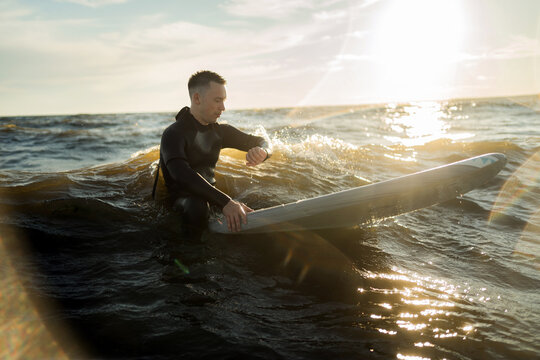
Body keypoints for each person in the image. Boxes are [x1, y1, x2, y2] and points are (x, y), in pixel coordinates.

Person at [157, 70, 271, 233]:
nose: (223, 107)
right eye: (218, 100)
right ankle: (193, 253)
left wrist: (263, 151)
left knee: (260, 197)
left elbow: (260, 140)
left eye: (223, 101)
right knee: (198, 205)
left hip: (213, 201)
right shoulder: (173, 134)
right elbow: (181, 174)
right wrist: (226, 202)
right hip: (183, 205)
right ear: (197, 98)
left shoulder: (219, 132)